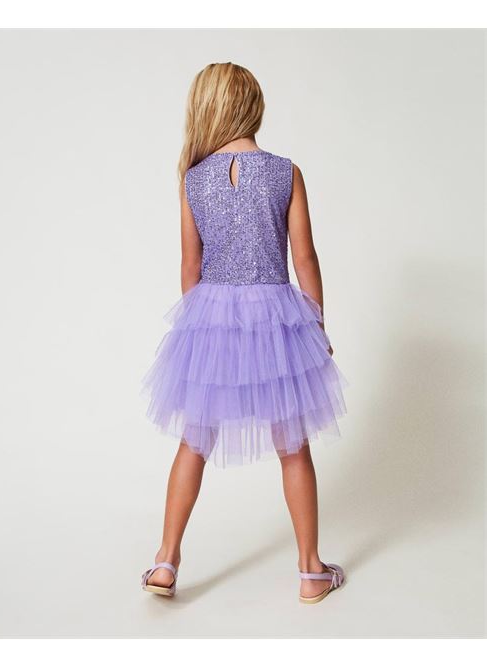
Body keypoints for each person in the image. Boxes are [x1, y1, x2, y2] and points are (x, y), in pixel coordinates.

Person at [140, 62, 348, 604]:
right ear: (253, 107)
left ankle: (165, 561)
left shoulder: (193, 179)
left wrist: (197, 334)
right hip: (277, 319)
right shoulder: (285, 172)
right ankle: (311, 571)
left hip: (211, 316)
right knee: (293, 446)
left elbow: (190, 267)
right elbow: (304, 258)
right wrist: (317, 324)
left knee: (194, 440)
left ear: (206, 109)